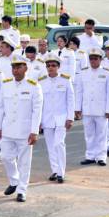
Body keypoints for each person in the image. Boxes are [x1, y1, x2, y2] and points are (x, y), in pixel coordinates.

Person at [0, 54, 43, 202]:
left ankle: (22, 189)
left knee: (24, 162)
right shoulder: (6, 84)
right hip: (8, 129)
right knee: (5, 157)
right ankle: (14, 181)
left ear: (25, 68)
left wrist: (34, 131)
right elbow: (0, 107)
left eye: (18, 67)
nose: (15, 70)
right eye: (13, 67)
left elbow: (37, 110)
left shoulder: (34, 86)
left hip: (25, 130)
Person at [75, 48, 109, 167]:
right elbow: (79, 91)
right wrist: (78, 108)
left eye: (95, 59)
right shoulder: (83, 72)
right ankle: (90, 155)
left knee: (102, 134)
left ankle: (101, 156)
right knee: (89, 134)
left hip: (101, 109)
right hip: (87, 109)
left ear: (100, 60)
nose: (93, 61)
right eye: (91, 58)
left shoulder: (107, 72)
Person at [38, 53, 74, 183]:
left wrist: (70, 117)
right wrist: (39, 121)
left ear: (58, 67)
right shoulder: (41, 81)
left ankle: (61, 173)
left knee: (59, 144)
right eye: (48, 66)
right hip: (47, 118)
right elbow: (40, 103)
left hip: (61, 118)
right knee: (50, 146)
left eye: (53, 65)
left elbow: (70, 99)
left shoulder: (65, 80)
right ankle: (54, 170)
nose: (50, 68)